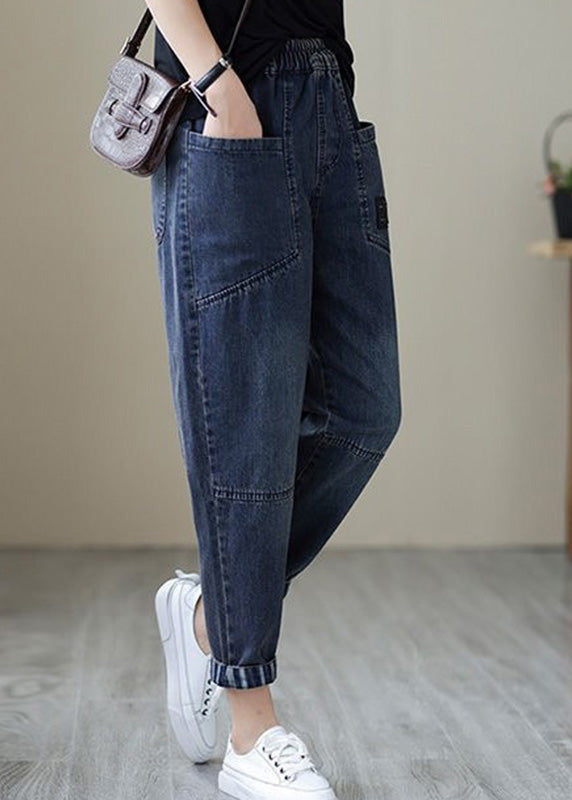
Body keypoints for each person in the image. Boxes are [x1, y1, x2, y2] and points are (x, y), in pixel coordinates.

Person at [146, 1, 402, 797]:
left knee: (365, 410)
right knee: (245, 436)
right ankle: (250, 730)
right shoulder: (224, 90)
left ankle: (209, 618)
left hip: (328, 100)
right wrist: (218, 85)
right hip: (231, 95)